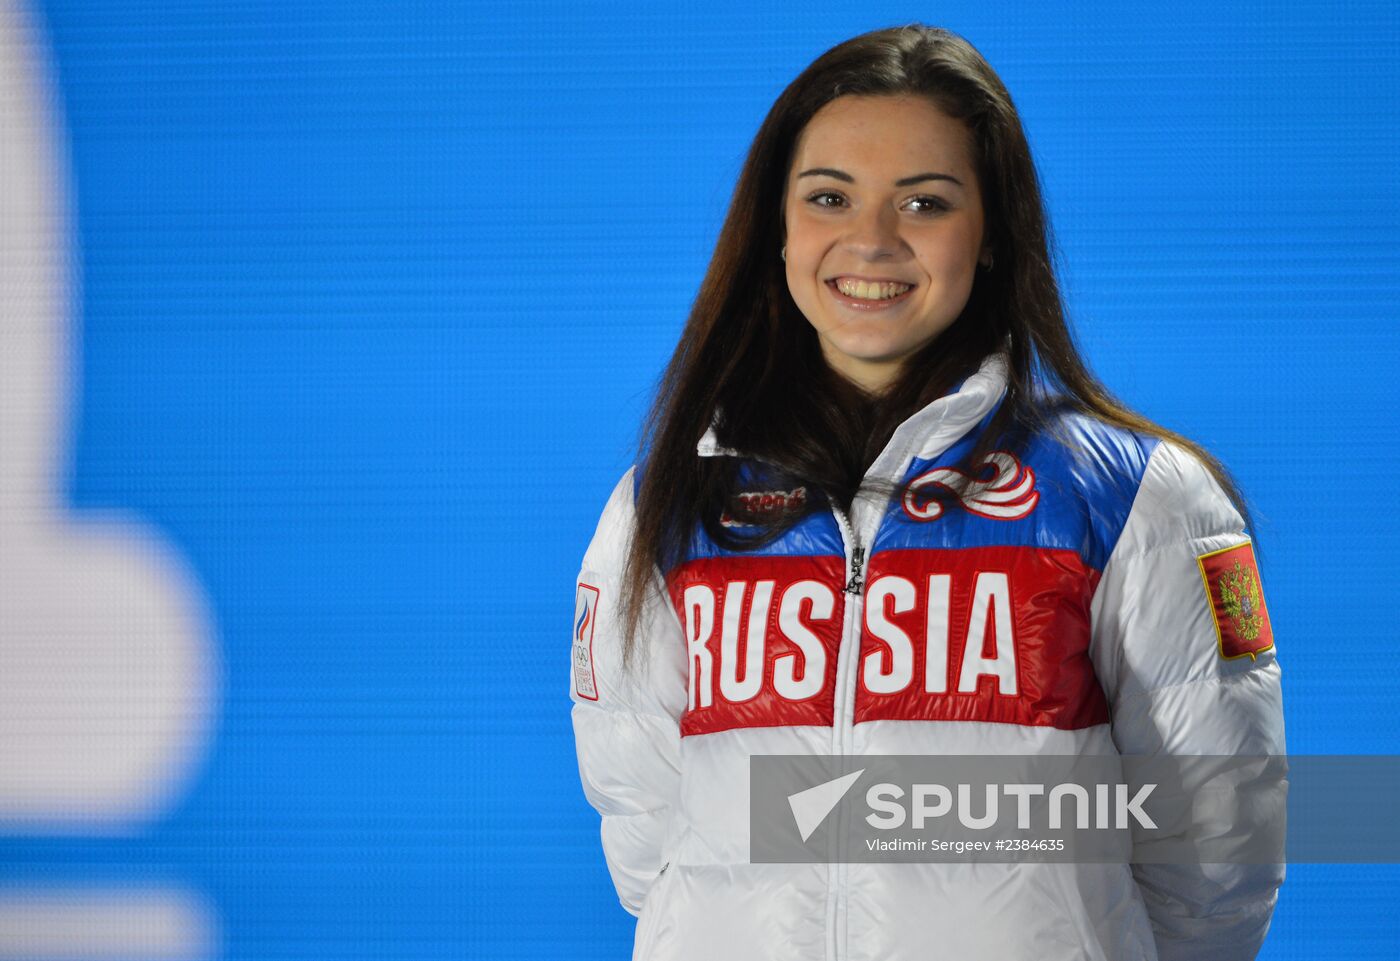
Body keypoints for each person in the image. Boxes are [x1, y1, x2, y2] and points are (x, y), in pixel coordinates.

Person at [568, 23, 1284, 961]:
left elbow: (1218, 841)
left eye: (924, 203)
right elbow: (646, 824)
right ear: (775, 230)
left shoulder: (1139, 498)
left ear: (992, 234)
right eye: (829, 197)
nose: (870, 241)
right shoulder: (667, 500)